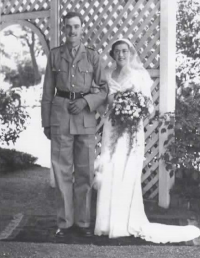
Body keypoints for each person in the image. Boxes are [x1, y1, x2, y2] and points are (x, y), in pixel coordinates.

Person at [94, 38, 200, 243]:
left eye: (124, 51)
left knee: (128, 174)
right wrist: (110, 113)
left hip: (132, 132)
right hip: (111, 130)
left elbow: (149, 107)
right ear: (112, 55)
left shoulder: (139, 76)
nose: (121, 55)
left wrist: (135, 114)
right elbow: (100, 103)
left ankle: (125, 221)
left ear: (130, 53)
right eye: (117, 51)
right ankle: (107, 223)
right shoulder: (107, 76)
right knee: (111, 172)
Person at [41, 11, 108, 237]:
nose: (72, 31)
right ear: (64, 29)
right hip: (60, 116)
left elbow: (104, 89)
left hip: (85, 118)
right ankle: (65, 221)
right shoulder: (55, 55)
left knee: (85, 172)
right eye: (68, 27)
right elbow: (48, 91)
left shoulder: (92, 57)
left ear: (82, 29)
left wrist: (86, 101)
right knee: (62, 171)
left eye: (76, 27)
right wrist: (46, 122)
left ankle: (82, 222)